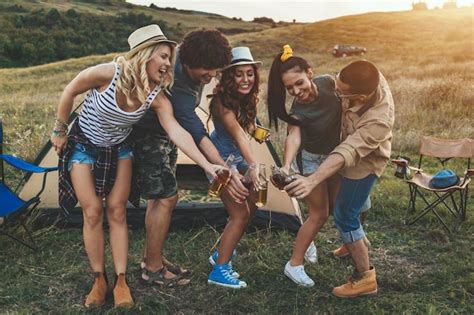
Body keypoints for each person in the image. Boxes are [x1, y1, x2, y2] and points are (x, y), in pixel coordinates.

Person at [52, 24, 218, 308]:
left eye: (170, 58)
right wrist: (59, 129)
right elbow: (70, 90)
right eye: (163, 56)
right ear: (144, 54)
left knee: (117, 211)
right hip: (84, 146)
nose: (168, 64)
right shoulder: (107, 73)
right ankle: (98, 279)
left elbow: (177, 131)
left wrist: (207, 165)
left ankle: (120, 281)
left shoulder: (156, 96)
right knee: (92, 213)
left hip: (119, 150)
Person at [133, 28, 250, 289]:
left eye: (216, 70)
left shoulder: (195, 69)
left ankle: (152, 258)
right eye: (206, 71)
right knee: (165, 198)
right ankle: (152, 269)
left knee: (160, 198)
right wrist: (222, 168)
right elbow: (197, 132)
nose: (211, 76)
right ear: (187, 64)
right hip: (148, 134)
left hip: (167, 134)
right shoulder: (179, 83)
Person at [285, 60, 394, 297]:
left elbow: (346, 152)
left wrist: (312, 180)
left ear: (361, 97)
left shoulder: (378, 120)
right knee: (351, 205)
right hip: (338, 154)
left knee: (345, 214)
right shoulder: (364, 75)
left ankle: (365, 278)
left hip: (364, 162)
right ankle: (350, 245)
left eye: (341, 92)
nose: (336, 90)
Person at [267, 45, 342, 287]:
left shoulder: (329, 83)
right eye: (290, 88)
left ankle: (313, 241)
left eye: (299, 83)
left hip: (335, 156)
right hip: (310, 160)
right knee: (319, 214)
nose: (296, 91)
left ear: (310, 73)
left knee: (332, 210)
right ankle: (295, 264)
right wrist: (287, 166)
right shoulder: (298, 111)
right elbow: (294, 137)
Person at [206, 46, 264, 288]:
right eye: (239, 74)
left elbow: (248, 128)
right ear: (229, 77)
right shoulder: (222, 103)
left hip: (237, 159)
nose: (246, 79)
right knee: (240, 214)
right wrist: (253, 165)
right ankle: (219, 271)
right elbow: (239, 135)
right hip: (221, 164)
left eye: (249, 73)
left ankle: (221, 254)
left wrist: (263, 135)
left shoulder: (244, 98)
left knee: (249, 208)